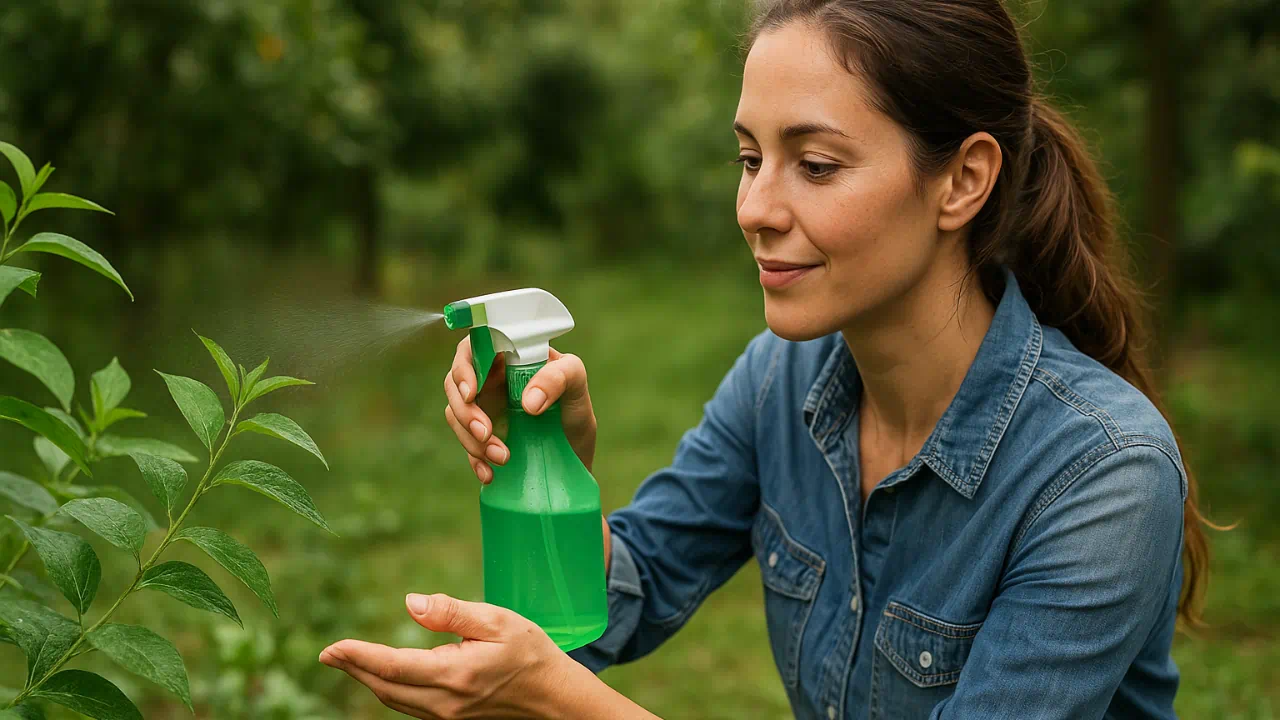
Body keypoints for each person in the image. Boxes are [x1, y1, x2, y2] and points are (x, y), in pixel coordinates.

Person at [318, 1, 1213, 717]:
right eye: (750, 158)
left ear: (962, 181)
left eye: (815, 165)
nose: (754, 207)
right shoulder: (781, 382)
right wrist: (555, 467)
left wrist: (565, 707)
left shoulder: (1102, 475)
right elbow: (625, 598)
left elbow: (576, 676)